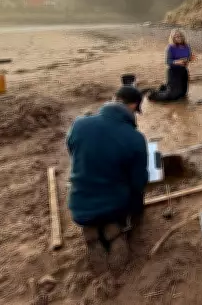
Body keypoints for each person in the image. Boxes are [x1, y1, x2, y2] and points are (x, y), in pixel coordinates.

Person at [66, 86, 148, 268]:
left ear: (113, 99)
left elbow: (73, 154)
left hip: (79, 206)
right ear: (133, 106)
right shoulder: (135, 138)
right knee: (123, 201)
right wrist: (137, 210)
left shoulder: (79, 124)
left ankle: (92, 229)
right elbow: (138, 182)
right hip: (115, 207)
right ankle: (115, 229)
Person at [148, 29, 192, 102]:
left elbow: (188, 57)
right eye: (176, 37)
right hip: (173, 72)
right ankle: (152, 95)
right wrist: (177, 62)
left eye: (180, 36)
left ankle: (164, 87)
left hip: (183, 71)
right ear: (173, 38)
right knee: (173, 96)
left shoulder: (187, 46)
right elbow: (167, 61)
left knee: (182, 94)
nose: (178, 38)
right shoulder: (170, 47)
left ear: (183, 36)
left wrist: (189, 59)